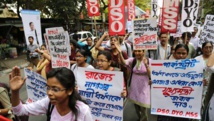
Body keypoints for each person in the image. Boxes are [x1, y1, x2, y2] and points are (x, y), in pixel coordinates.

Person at [10, 66, 93, 121]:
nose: (49, 93)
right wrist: (15, 91)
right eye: (48, 88)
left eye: (55, 89)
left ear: (70, 90)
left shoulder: (83, 111)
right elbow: (19, 111)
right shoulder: (48, 103)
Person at [157, 44, 190, 121]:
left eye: (183, 53)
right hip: (167, 103)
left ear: (187, 54)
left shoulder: (193, 68)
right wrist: (154, 82)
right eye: (178, 53)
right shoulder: (166, 66)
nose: (181, 56)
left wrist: (200, 83)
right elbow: (160, 80)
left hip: (183, 104)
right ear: (174, 53)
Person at [118, 47, 151, 121]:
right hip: (134, 86)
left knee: (143, 106)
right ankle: (139, 118)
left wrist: (146, 65)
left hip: (144, 86)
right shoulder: (132, 60)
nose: (137, 53)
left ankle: (144, 119)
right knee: (136, 105)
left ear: (143, 51)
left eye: (139, 51)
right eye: (135, 51)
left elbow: (151, 75)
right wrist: (120, 53)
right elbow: (123, 62)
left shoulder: (149, 61)